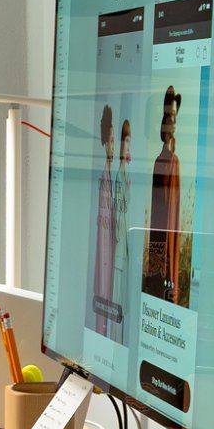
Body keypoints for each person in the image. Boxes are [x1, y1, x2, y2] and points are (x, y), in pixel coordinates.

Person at [146, 87, 182, 303]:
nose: (174, 122)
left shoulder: (173, 162)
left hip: (170, 235)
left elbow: (174, 210)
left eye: (176, 118)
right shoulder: (161, 162)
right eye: (171, 117)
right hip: (161, 236)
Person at [89, 103, 115, 334]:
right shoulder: (101, 177)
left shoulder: (109, 177)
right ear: (105, 142)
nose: (114, 147)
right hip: (102, 266)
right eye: (112, 141)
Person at [109, 116, 132, 339]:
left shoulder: (125, 174)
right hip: (119, 248)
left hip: (123, 249)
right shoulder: (119, 175)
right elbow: (119, 210)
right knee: (117, 300)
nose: (128, 147)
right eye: (126, 142)